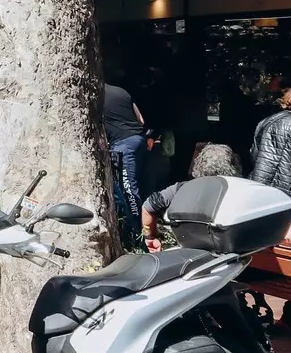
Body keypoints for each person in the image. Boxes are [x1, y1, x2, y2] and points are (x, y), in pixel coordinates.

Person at [140, 143, 241, 249]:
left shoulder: (180, 188)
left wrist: (150, 238)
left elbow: (147, 207)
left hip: (186, 251)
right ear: (234, 167)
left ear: (198, 164)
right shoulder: (236, 192)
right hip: (226, 252)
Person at [102, 81, 148, 224]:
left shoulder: (95, 95)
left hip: (123, 144)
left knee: (128, 188)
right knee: (134, 182)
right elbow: (141, 120)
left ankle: (136, 230)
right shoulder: (121, 91)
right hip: (138, 139)